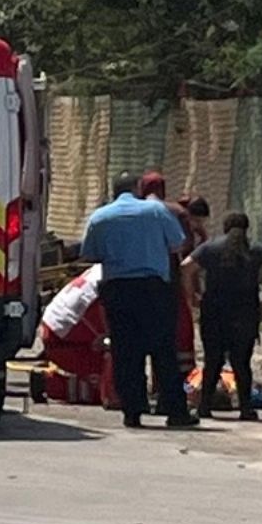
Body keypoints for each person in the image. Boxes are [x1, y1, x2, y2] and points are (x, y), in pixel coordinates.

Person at [80, 173, 198, 429]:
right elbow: (177, 244)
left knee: (125, 352)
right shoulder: (156, 211)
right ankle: (175, 411)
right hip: (154, 289)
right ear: (137, 189)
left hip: (118, 290)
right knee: (164, 351)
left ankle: (132, 412)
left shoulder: (100, 217)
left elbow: (90, 254)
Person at [180, 212, 262, 421]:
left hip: (214, 312)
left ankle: (205, 407)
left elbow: (186, 267)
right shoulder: (255, 249)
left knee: (213, 361)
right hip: (245, 313)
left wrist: (192, 297)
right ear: (247, 229)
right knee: (241, 363)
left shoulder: (210, 247)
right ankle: (246, 409)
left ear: (225, 227)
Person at [139, 170, 198, 380]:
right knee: (169, 334)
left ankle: (144, 386)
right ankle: (174, 386)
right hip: (169, 279)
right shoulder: (176, 211)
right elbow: (187, 245)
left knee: (141, 332)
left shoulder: (133, 211)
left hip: (139, 280)